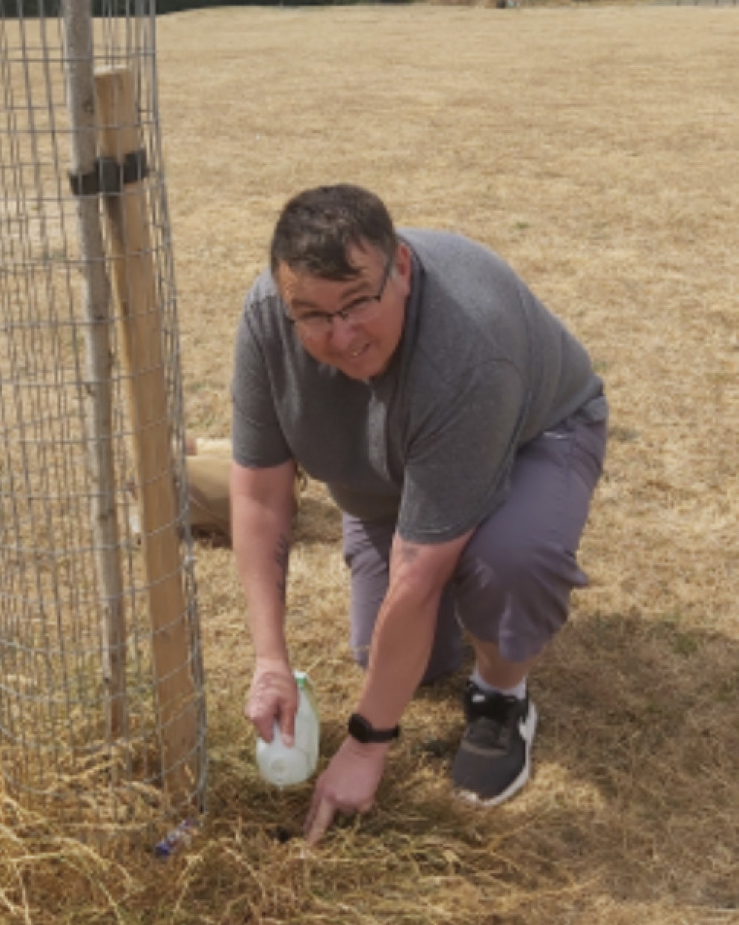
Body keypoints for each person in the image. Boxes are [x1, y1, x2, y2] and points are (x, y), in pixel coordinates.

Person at [230, 184, 607, 844]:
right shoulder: (266, 319)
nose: (341, 336)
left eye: (358, 304)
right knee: (400, 658)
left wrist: (367, 744)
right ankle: (451, 541)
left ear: (400, 268)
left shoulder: (467, 349)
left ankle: (501, 695)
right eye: (313, 315)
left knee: (508, 560)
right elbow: (261, 494)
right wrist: (269, 660)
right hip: (393, 472)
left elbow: (417, 578)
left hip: (533, 436)